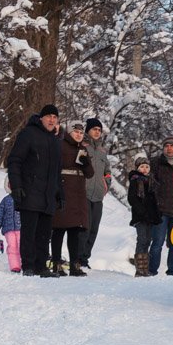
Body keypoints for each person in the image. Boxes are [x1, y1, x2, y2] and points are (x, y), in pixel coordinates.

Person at [6, 104, 64, 278]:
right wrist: (16, 185)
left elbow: (57, 171)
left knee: (44, 234)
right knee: (29, 232)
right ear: (41, 118)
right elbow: (14, 160)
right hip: (30, 191)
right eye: (49, 117)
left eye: (55, 117)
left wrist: (60, 193)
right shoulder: (28, 134)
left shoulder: (55, 141)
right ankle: (28, 265)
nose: (52, 120)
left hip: (48, 195)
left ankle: (41, 266)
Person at [51, 120, 95, 276]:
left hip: (78, 193)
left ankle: (75, 265)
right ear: (69, 132)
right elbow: (53, 168)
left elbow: (90, 174)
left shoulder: (83, 149)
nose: (79, 135)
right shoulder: (60, 145)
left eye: (81, 132)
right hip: (63, 190)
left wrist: (85, 163)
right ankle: (56, 264)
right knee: (59, 229)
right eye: (76, 131)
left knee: (75, 230)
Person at [80, 118, 111, 268]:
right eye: (94, 129)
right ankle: (78, 258)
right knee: (84, 228)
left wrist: (106, 185)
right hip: (84, 194)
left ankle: (85, 259)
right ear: (88, 131)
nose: (97, 132)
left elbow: (107, 171)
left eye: (99, 130)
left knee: (94, 229)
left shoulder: (102, 151)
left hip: (98, 196)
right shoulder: (82, 146)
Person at [149, 136, 173, 276]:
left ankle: (172, 273)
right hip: (161, 210)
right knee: (157, 242)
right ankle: (151, 271)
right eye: (166, 146)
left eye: (172, 146)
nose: (169, 148)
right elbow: (150, 184)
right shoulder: (156, 163)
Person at [127, 157, 159, 276]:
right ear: (137, 168)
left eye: (147, 167)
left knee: (148, 240)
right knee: (142, 239)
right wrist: (141, 211)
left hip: (150, 217)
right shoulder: (135, 180)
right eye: (142, 167)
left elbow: (154, 199)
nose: (144, 169)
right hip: (140, 216)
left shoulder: (151, 181)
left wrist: (156, 213)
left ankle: (145, 268)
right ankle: (139, 268)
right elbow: (132, 198)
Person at [0, 188, 21, 273]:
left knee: (21, 246)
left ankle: (25, 264)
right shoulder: (5, 200)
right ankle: (15, 266)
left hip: (21, 228)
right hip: (8, 229)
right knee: (12, 247)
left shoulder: (23, 198)